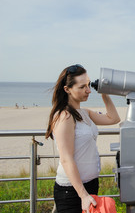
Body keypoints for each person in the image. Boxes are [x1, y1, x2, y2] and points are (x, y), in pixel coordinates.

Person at [45, 64, 120, 213]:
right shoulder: (65, 116)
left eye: (88, 85)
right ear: (67, 89)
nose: (88, 90)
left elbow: (113, 118)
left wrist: (104, 93)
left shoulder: (84, 113)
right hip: (72, 191)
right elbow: (66, 159)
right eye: (82, 87)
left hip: (91, 184)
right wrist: (83, 195)